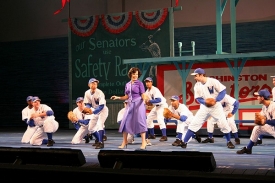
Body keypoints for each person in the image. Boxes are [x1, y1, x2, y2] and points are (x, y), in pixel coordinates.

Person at [181, 68, 235, 149]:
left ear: (201, 75)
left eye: (196, 75)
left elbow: (223, 91)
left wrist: (215, 100)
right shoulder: (197, 85)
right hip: (204, 107)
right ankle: (184, 142)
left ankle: (229, 141)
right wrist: (206, 102)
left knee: (223, 124)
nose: (195, 77)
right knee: (194, 123)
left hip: (216, 106)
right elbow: (198, 98)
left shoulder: (213, 81)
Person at [111, 67, 148, 150]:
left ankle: (143, 142)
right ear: (131, 74)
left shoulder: (140, 83)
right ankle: (124, 142)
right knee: (125, 122)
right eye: (134, 74)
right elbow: (126, 96)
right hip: (130, 104)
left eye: (137, 74)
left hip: (139, 104)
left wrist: (145, 99)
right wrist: (117, 97)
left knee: (140, 122)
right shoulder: (127, 84)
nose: (135, 75)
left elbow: (142, 94)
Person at [237, 89, 275, 154]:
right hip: (272, 128)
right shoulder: (264, 107)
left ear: (262, 98)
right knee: (257, 128)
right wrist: (259, 119)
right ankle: (248, 148)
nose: (257, 98)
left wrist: (265, 121)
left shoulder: (273, 106)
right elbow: (261, 118)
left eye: (258, 96)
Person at [83, 78, 109, 149]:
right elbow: (88, 103)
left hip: (103, 110)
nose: (94, 85)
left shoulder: (100, 92)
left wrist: (92, 112)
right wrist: (88, 109)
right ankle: (98, 139)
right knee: (91, 128)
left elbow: (101, 106)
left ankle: (101, 142)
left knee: (100, 124)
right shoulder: (87, 93)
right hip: (94, 110)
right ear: (89, 85)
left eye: (95, 83)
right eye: (92, 83)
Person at [144, 76, 168, 142]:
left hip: (162, 105)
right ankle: (152, 134)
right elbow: (147, 101)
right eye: (146, 82)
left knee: (160, 119)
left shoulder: (155, 89)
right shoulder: (147, 92)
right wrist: (146, 103)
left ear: (152, 82)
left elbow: (158, 100)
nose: (147, 83)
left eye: (149, 82)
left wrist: (150, 101)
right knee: (148, 118)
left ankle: (164, 136)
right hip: (156, 107)